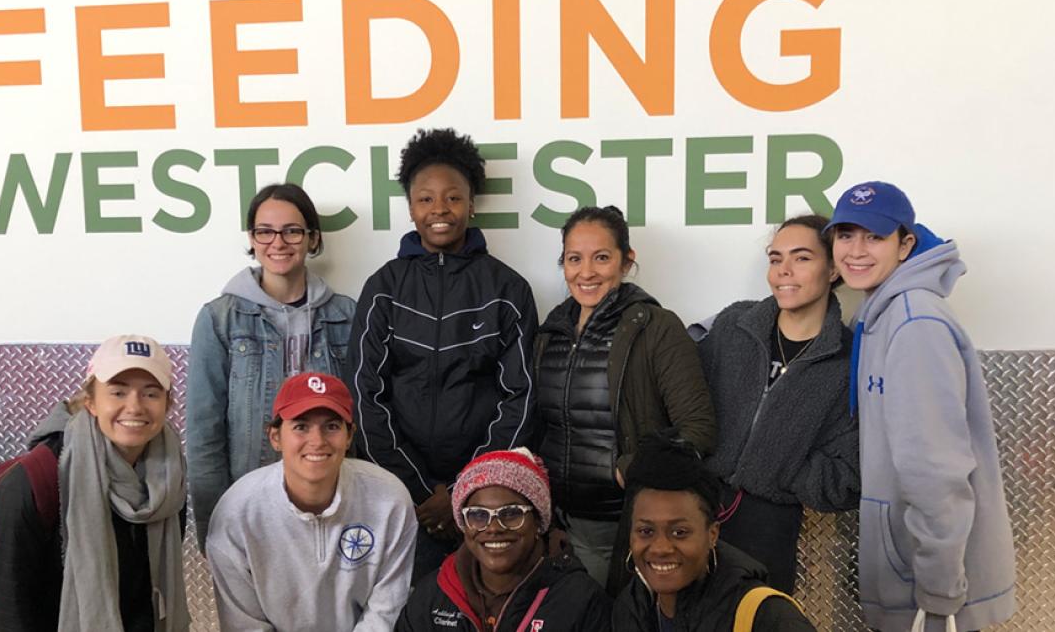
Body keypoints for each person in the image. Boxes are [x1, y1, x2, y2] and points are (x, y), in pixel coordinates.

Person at [348, 127, 538, 580]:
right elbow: (365, 397)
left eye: (452, 198)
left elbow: (521, 401)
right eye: (426, 199)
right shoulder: (383, 290)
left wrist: (462, 492)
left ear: (471, 205)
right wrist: (418, 490)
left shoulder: (507, 290)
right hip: (400, 498)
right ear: (411, 207)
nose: (439, 210)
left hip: (485, 503)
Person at [826, 181, 1015, 632]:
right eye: (845, 235)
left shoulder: (914, 324)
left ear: (905, 244)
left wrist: (939, 593)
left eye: (874, 237)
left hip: (930, 594)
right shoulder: (883, 312)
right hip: (911, 576)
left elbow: (935, 471)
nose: (856, 250)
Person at [532, 205, 715, 591]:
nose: (586, 272)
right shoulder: (552, 330)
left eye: (601, 257)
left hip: (618, 524)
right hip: (557, 525)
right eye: (574, 259)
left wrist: (630, 468)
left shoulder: (655, 327)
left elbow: (698, 428)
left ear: (626, 261)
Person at [690, 215, 859, 593]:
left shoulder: (847, 362)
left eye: (802, 258)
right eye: (775, 258)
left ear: (833, 269)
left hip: (769, 522)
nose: (783, 271)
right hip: (697, 506)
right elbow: (685, 404)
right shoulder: (734, 325)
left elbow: (847, 478)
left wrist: (781, 470)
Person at [187, 183, 355, 550]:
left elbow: (360, 420)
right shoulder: (219, 320)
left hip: (333, 503)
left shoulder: (347, 316)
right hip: (252, 506)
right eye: (265, 231)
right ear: (252, 238)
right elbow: (204, 434)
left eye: (292, 230)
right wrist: (213, 530)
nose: (278, 242)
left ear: (312, 238)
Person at [0, 335, 189, 631]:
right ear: (91, 402)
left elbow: (143, 591)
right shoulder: (35, 479)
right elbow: (13, 609)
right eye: (118, 393)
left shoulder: (170, 478)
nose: (135, 407)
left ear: (168, 403)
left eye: (151, 394)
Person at [206, 371, 417, 631]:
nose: (317, 441)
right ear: (275, 437)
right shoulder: (236, 514)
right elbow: (244, 625)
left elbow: (386, 609)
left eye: (332, 426)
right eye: (301, 426)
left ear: (349, 435)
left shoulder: (390, 500)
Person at [613, 434, 816, 631]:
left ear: (712, 534)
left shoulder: (767, 618)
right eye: (646, 531)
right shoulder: (630, 609)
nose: (661, 548)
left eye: (679, 532)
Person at [396, 448, 612, 631]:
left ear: (539, 521)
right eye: (478, 515)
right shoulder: (435, 593)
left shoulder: (581, 599)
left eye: (511, 513)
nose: (494, 528)